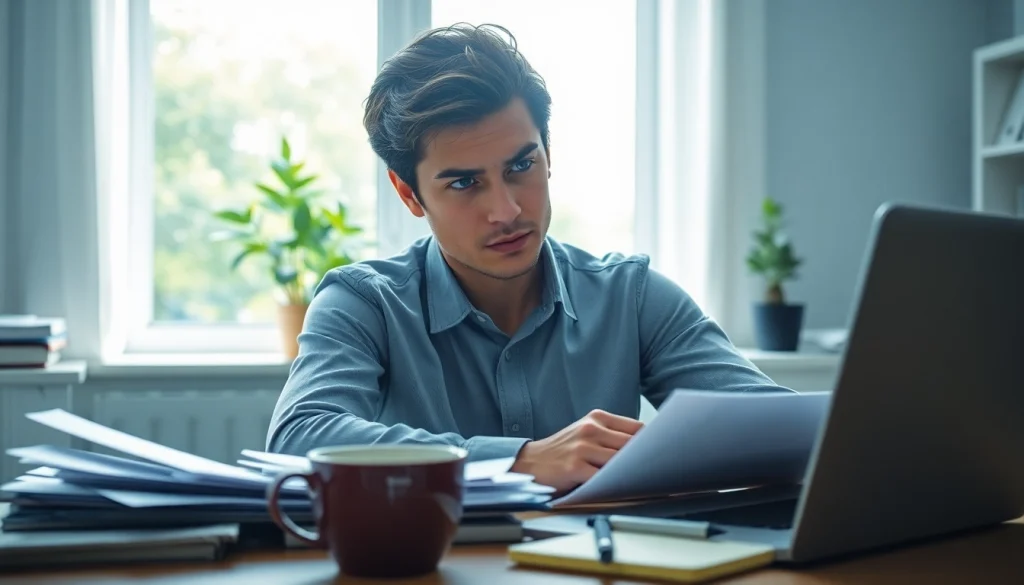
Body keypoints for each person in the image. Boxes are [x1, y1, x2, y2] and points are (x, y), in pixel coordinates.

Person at [266, 23, 787, 494]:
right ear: (408, 193)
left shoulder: (632, 296)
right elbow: (298, 436)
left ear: (549, 155)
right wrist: (518, 461)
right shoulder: (362, 303)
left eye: (521, 165)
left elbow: (781, 429)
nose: (507, 210)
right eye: (465, 183)